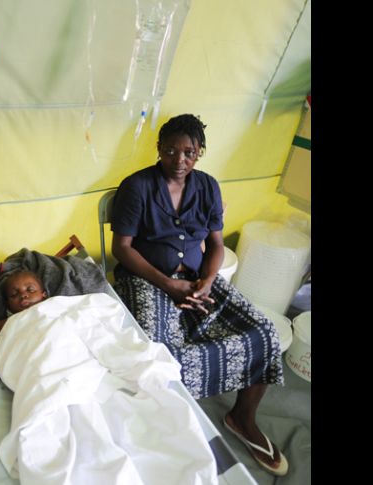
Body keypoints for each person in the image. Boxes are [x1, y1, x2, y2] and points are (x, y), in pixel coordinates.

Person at [108, 113, 288, 477]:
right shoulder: (137, 186)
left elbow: (216, 244)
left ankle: (242, 418)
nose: (179, 160)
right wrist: (167, 284)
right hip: (145, 277)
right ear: (159, 148)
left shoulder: (207, 187)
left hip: (196, 277)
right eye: (170, 151)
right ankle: (166, 431)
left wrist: (207, 280)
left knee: (263, 332)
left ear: (200, 152)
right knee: (161, 351)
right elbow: (122, 248)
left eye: (188, 152)